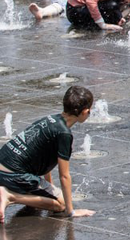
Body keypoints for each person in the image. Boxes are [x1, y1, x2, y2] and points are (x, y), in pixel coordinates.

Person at [0, 86, 95, 224]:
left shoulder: (51, 119)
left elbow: (47, 161)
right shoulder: (64, 134)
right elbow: (64, 176)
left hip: (4, 167)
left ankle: (14, 192)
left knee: (51, 197)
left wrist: (46, 189)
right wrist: (70, 211)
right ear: (85, 112)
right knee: (60, 204)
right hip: (13, 175)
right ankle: (10, 197)